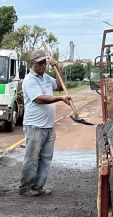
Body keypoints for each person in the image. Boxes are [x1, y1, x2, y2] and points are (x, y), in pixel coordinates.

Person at [19, 49, 73, 196]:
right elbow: (39, 98)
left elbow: (60, 86)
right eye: (40, 63)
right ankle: (25, 187)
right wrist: (61, 98)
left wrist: (58, 68)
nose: (43, 65)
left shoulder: (45, 78)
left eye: (45, 62)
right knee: (31, 158)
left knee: (46, 158)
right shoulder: (30, 80)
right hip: (34, 126)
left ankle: (38, 186)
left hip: (48, 125)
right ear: (32, 64)